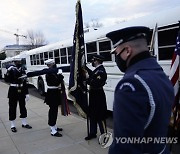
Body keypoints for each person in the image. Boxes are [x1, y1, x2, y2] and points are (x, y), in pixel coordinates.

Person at [106, 26, 174, 154]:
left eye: (117, 53)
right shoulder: (161, 75)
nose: (117, 58)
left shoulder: (131, 84)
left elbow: (125, 145)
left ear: (127, 51)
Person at [84, 54, 108, 140]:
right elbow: (92, 74)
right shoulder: (97, 70)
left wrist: (87, 79)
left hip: (98, 94)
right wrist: (84, 67)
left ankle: (104, 135)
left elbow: (95, 83)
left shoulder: (101, 71)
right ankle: (92, 133)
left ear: (97, 61)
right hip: (93, 94)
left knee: (100, 115)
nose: (92, 62)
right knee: (92, 114)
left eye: (93, 61)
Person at [6, 57, 32, 133]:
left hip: (21, 89)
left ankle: (24, 123)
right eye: (17, 61)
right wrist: (8, 71)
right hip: (13, 90)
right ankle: (12, 125)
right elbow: (7, 80)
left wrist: (26, 93)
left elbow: (25, 82)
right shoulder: (11, 69)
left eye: (19, 61)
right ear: (14, 62)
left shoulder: (22, 69)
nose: (18, 62)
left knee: (23, 107)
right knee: (12, 107)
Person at [44, 59, 64, 137]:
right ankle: (52, 129)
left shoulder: (53, 72)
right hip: (52, 93)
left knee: (55, 110)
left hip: (55, 92)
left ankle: (54, 126)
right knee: (53, 111)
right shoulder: (49, 73)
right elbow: (55, 83)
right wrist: (60, 75)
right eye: (53, 64)